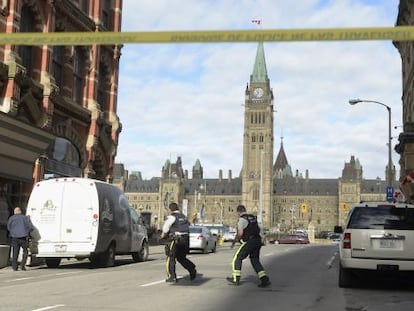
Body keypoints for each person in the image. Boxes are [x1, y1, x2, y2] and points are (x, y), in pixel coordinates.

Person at [227, 204, 271, 287]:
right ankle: (264, 279)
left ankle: (236, 278)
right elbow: (260, 229)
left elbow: (240, 233)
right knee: (255, 260)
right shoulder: (253, 218)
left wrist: (235, 241)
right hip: (257, 241)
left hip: (249, 241)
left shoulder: (242, 220)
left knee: (237, 258)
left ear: (238, 212)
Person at [161, 202, 197, 283]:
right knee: (181, 258)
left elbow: (165, 228)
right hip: (186, 239)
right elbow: (188, 225)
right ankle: (192, 269)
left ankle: (172, 276)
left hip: (176, 239)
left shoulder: (172, 217)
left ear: (170, 209)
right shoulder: (183, 217)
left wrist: (163, 235)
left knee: (170, 257)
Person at [7, 207, 34, 271]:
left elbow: (8, 227)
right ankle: (22, 265)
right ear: (20, 211)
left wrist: (13, 232)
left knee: (15, 252)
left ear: (14, 212)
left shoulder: (11, 218)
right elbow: (30, 227)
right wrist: (27, 232)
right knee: (25, 251)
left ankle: (14, 267)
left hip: (14, 237)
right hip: (23, 237)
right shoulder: (24, 218)